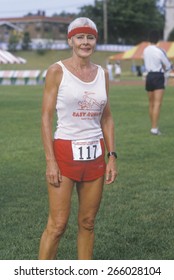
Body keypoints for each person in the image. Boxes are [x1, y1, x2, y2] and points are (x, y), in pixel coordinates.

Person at [38, 17, 118, 260]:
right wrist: (50, 160)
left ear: (95, 41)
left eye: (90, 37)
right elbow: (45, 118)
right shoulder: (56, 71)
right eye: (80, 37)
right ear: (70, 40)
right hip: (64, 153)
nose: (85, 42)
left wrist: (112, 156)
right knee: (58, 225)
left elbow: (107, 118)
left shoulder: (102, 74)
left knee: (88, 222)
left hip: (95, 154)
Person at [143, 30, 171, 135]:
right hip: (158, 76)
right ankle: (154, 129)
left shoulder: (145, 50)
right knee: (157, 104)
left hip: (149, 76)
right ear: (158, 39)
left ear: (149, 39)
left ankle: (153, 126)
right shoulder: (160, 51)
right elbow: (168, 65)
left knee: (151, 103)